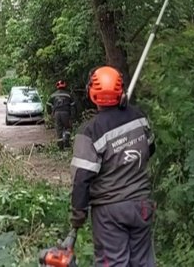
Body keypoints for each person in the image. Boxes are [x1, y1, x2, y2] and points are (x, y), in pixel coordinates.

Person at [70, 66, 156, 267]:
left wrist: (77, 216)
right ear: (121, 91)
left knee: (114, 263)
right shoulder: (138, 117)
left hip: (110, 211)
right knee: (143, 262)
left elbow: (81, 179)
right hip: (141, 206)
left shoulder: (90, 132)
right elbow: (150, 150)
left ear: (92, 93)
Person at [47, 80, 76, 149]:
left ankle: (60, 146)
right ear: (65, 86)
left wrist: (49, 113)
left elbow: (48, 104)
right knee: (68, 127)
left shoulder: (53, 95)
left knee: (59, 129)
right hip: (66, 113)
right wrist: (73, 116)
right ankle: (66, 142)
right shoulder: (68, 95)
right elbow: (73, 106)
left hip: (56, 114)